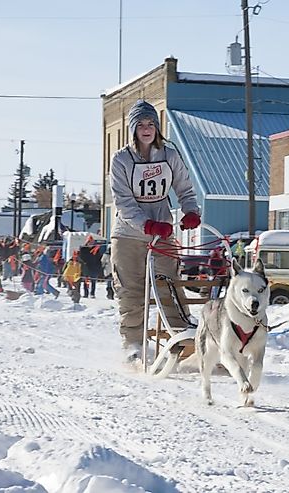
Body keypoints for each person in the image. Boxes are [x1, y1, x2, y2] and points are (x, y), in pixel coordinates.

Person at [109, 99, 201, 361]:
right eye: (141, 125)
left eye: (151, 124)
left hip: (163, 234)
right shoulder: (121, 160)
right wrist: (146, 224)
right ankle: (133, 346)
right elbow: (123, 201)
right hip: (128, 234)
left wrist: (191, 211)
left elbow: (184, 188)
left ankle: (182, 335)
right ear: (133, 129)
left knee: (168, 283)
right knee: (131, 290)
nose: (147, 129)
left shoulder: (169, 155)